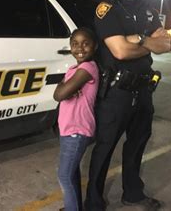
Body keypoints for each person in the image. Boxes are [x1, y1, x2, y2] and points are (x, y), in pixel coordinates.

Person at [84, 0, 171, 211]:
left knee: (137, 145)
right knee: (105, 148)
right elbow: (119, 51)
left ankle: (133, 194)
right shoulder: (106, 9)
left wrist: (136, 40)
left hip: (144, 91)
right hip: (116, 93)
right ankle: (93, 203)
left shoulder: (148, 10)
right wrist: (147, 41)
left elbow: (165, 44)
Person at [54, 27, 100, 211]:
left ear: (95, 46)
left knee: (64, 175)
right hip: (69, 129)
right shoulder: (75, 69)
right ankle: (73, 207)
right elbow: (64, 92)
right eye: (74, 44)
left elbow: (59, 95)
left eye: (85, 43)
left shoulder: (88, 68)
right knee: (71, 172)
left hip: (77, 130)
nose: (79, 48)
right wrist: (65, 88)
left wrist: (62, 87)